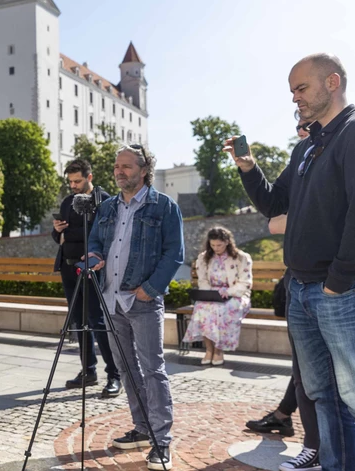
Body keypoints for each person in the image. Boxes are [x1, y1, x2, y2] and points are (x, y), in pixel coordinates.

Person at [227, 53, 355, 471]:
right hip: (304, 291)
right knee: (325, 398)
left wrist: (338, 281)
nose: (295, 98)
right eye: (292, 91)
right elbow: (274, 203)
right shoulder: (308, 145)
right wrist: (249, 168)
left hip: (346, 291)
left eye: (301, 88)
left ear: (332, 82)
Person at [86, 144, 184, 470]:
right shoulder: (108, 207)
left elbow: (174, 254)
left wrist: (150, 289)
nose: (119, 171)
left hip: (142, 302)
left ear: (143, 171)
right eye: (117, 166)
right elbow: (96, 242)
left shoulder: (164, 207)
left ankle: (162, 441)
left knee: (153, 372)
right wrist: (95, 257)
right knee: (127, 369)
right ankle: (142, 428)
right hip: (111, 300)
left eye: (126, 166)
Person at [245, 113, 322, 471]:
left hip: (339, 282)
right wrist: (249, 167)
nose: (302, 131)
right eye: (299, 126)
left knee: (352, 383)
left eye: (307, 124)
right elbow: (273, 209)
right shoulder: (301, 155)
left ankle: (336, 447)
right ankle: (313, 444)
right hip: (299, 280)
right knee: (304, 372)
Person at [51, 158, 122, 397]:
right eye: (70, 181)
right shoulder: (68, 201)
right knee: (78, 322)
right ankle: (88, 371)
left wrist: (69, 234)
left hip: (93, 269)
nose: (73, 186)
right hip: (69, 268)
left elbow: (102, 236)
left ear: (89, 177)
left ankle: (115, 375)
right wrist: (59, 231)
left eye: (77, 181)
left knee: (97, 321)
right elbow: (59, 237)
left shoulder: (104, 201)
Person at [183, 226, 252, 366]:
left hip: (235, 295)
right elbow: (203, 281)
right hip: (212, 295)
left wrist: (228, 292)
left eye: (219, 245)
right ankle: (209, 350)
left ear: (227, 242)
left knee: (223, 310)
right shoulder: (204, 258)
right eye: (212, 245)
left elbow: (245, 282)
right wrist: (210, 293)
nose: (216, 248)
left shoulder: (241, 257)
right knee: (202, 308)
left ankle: (219, 350)